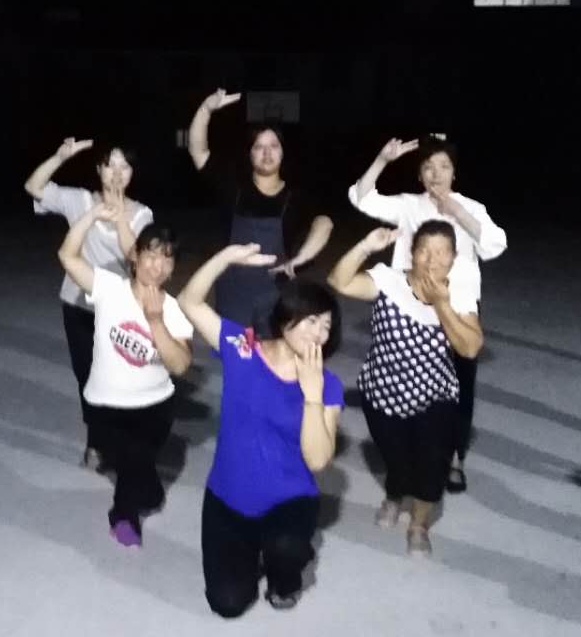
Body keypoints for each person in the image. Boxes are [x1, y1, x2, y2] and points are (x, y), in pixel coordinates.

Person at [178, 244, 343, 617]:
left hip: (288, 501)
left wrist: (312, 395)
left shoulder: (327, 384)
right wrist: (225, 259)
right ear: (287, 317)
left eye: (326, 326)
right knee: (227, 603)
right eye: (311, 320)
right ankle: (252, 550)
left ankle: (286, 577)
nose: (319, 333)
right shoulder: (244, 348)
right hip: (228, 497)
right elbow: (189, 301)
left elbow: (318, 461)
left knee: (286, 548)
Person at [348, 135, 507, 493]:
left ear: (454, 173)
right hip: (412, 306)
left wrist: (458, 212)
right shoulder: (408, 206)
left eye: (444, 166)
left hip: (457, 306)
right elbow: (361, 198)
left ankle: (455, 458)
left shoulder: (471, 208)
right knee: (413, 380)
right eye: (428, 167)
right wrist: (382, 160)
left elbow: (494, 245)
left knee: (460, 385)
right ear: (420, 175)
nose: (437, 174)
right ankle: (410, 453)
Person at [328, 222, 483, 556]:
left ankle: (419, 525)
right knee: (396, 460)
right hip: (382, 393)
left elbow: (470, 348)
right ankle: (394, 495)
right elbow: (339, 281)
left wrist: (441, 304)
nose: (432, 259)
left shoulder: (459, 294)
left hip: (434, 396)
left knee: (432, 467)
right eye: (424, 250)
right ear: (412, 253)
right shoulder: (389, 281)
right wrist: (365, 246)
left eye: (442, 252)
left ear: (453, 257)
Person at [56, 203, 194, 546]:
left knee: (137, 463)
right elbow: (67, 256)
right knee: (134, 467)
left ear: (173, 268)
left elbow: (179, 365)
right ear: (134, 257)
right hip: (105, 405)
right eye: (151, 255)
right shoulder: (109, 287)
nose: (157, 265)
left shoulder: (174, 311)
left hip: (154, 408)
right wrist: (91, 216)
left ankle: (131, 505)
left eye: (166, 259)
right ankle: (132, 505)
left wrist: (155, 321)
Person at [25, 137, 154, 470]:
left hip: (118, 311)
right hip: (77, 305)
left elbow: (135, 257)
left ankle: (121, 442)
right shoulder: (80, 201)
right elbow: (34, 187)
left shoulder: (142, 214)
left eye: (125, 166)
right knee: (87, 377)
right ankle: (96, 442)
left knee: (118, 378)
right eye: (110, 165)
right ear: (99, 169)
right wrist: (59, 156)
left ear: (132, 173)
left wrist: (119, 215)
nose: (117, 173)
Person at [186, 89, 333, 332]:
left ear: (283, 152)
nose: (267, 153)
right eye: (259, 147)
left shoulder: (295, 197)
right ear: (250, 153)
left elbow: (324, 224)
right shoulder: (234, 187)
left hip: (276, 294)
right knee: (234, 351)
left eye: (273, 146)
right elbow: (198, 151)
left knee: (273, 352)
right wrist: (205, 109)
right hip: (232, 294)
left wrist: (301, 258)